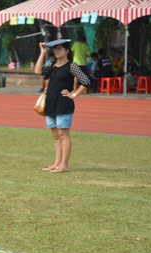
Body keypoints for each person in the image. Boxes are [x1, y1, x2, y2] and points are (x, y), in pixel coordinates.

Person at [34, 39, 90, 173]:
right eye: (55, 49)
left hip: (63, 104)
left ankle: (64, 165)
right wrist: (43, 53)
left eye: (60, 48)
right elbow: (37, 72)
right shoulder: (53, 65)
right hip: (51, 103)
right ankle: (57, 163)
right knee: (56, 135)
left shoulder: (72, 66)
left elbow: (85, 81)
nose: (57, 51)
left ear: (67, 51)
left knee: (64, 134)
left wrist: (74, 95)